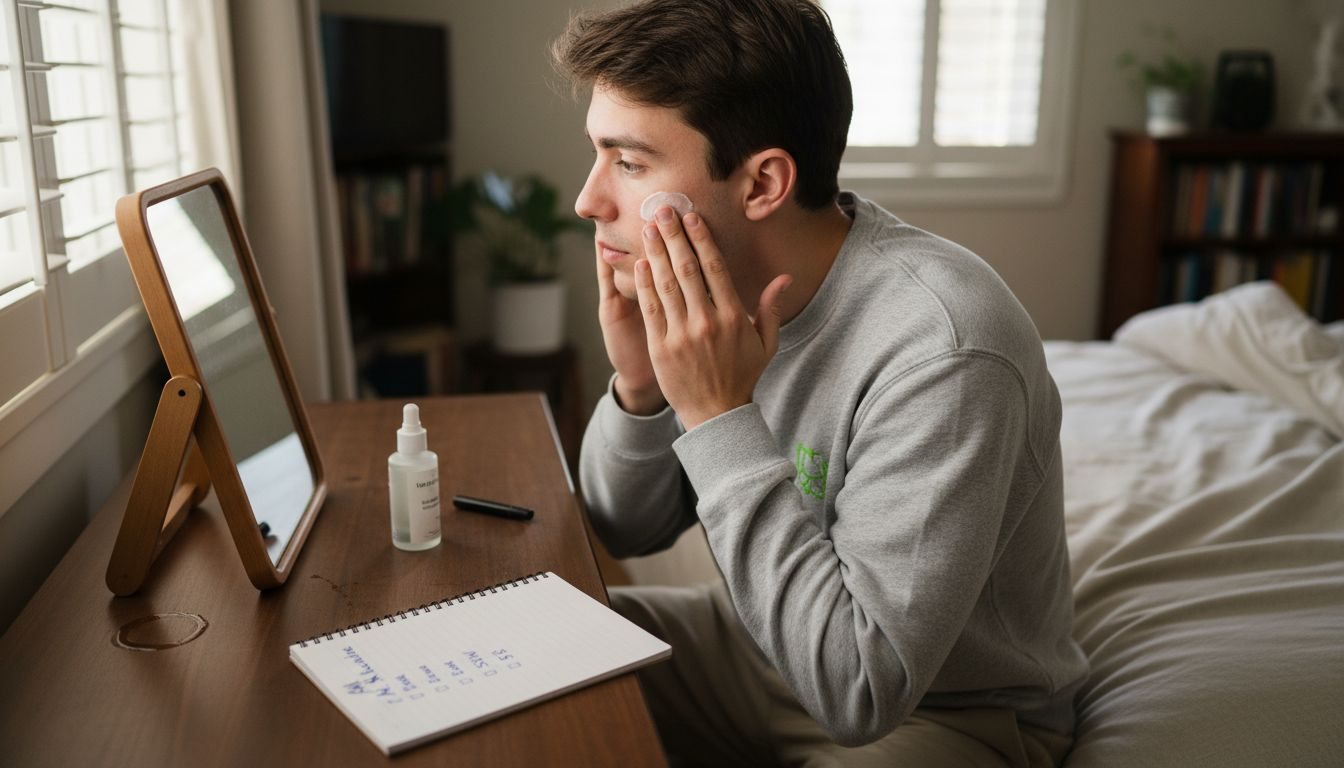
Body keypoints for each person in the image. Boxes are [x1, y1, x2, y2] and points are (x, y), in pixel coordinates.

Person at [551, 1, 1088, 765]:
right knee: (540, 655)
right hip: (753, 645)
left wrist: (715, 413)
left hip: (942, 712)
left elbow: (860, 688)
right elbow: (623, 529)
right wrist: (641, 387)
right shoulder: (715, 294)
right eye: (598, 156)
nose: (589, 200)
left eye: (629, 163)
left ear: (763, 182)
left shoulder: (948, 348)